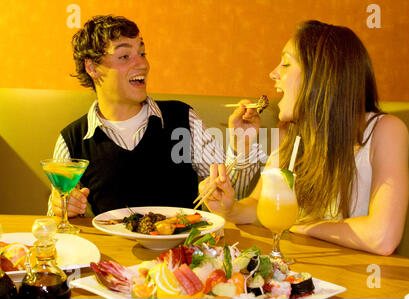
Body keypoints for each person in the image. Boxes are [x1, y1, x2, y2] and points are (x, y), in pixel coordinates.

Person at [200, 20, 409, 256]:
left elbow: (382, 237)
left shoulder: (385, 131)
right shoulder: (288, 132)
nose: (274, 73)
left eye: (286, 64)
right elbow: (261, 205)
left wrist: (301, 226)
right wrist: (229, 208)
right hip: (304, 269)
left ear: (322, 76)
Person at [48, 15, 261, 217]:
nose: (143, 64)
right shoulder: (72, 141)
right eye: (124, 56)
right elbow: (56, 215)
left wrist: (243, 144)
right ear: (92, 67)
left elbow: (230, 195)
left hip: (182, 251)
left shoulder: (182, 118)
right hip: (114, 254)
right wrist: (62, 206)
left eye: (142, 53)